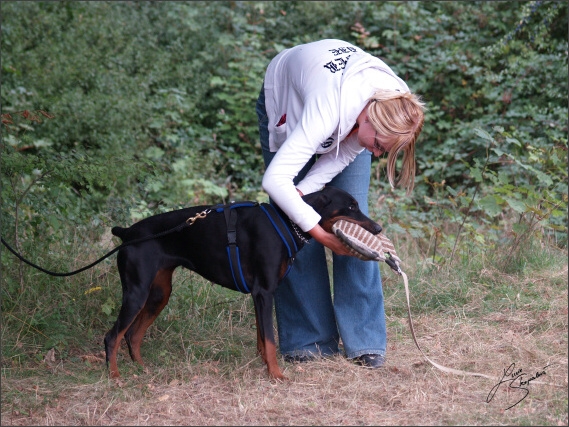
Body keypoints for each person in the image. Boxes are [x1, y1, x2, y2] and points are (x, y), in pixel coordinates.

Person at [256, 39, 425, 368]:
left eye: (384, 151)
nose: (376, 155)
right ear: (367, 119)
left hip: (343, 99)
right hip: (290, 99)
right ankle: (309, 341)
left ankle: (364, 341)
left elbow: (341, 159)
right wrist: (314, 229)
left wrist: (302, 200)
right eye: (377, 145)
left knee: (354, 223)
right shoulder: (328, 110)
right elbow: (275, 182)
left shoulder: (397, 104)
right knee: (293, 224)